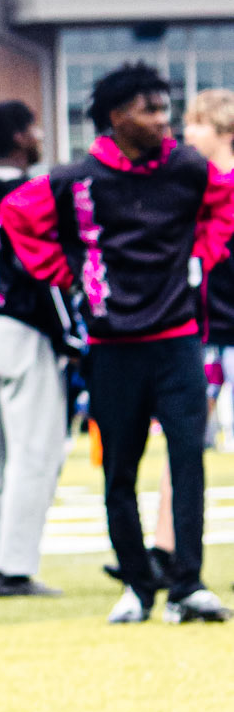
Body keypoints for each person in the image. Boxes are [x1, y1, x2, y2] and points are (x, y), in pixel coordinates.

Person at [0, 60, 234, 624]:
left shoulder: (187, 167)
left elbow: (225, 202)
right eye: (150, 110)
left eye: (165, 108)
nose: (163, 119)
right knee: (119, 472)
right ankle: (137, 586)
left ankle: (188, 586)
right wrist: (67, 274)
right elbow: (16, 215)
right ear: (116, 116)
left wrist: (202, 254)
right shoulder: (77, 179)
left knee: (188, 462)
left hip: (178, 338)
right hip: (111, 345)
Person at [0, 100, 71, 598]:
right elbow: (43, 269)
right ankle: (15, 568)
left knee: (2, 459)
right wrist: (71, 334)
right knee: (36, 455)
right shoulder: (29, 194)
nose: (41, 135)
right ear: (20, 137)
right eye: (35, 128)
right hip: (24, 328)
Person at [145, 89, 234, 579]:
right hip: (199, 334)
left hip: (226, 331)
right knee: (182, 442)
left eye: (198, 123)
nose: (187, 132)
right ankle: (164, 549)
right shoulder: (187, 189)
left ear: (225, 131)